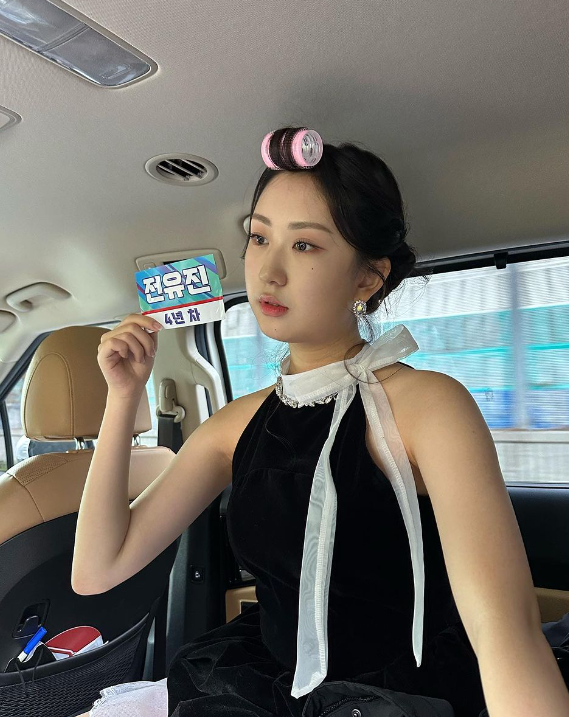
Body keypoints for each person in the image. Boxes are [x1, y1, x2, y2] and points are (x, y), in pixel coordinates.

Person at [72, 127, 567, 717]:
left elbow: (504, 631)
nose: (268, 271)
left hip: (407, 696)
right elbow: (97, 571)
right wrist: (123, 397)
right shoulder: (235, 426)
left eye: (304, 245)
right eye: (259, 237)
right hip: (263, 688)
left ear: (367, 277)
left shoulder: (430, 406)